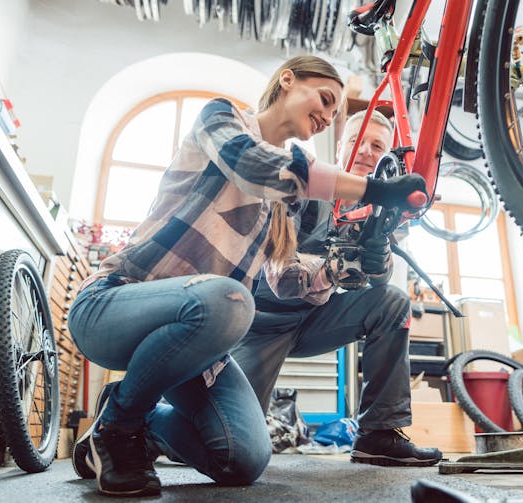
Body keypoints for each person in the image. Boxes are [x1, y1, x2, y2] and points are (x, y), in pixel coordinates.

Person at [68, 56, 427, 497]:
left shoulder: (285, 202)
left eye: (334, 112)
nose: (326, 116)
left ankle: (138, 421)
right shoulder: (221, 118)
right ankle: (118, 426)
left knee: (243, 458)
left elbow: (286, 278)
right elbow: (255, 166)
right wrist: (374, 188)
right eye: (325, 100)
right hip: (119, 303)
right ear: (287, 80)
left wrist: (341, 267)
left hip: (210, 331)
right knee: (229, 299)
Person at [231, 109, 442, 467]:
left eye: (378, 146)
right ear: (342, 146)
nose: (367, 152)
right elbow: (280, 272)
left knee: (391, 303)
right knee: (230, 446)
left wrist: (381, 259)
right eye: (361, 142)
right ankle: (145, 419)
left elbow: (377, 282)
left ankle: (378, 434)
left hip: (312, 320)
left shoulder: (375, 208)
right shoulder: (303, 185)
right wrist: (331, 268)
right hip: (261, 323)